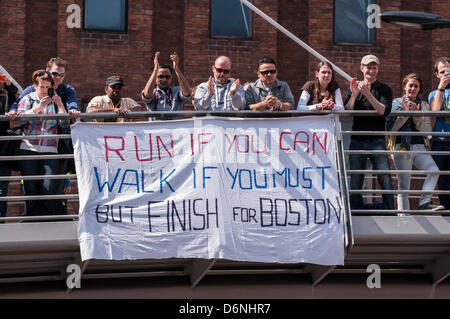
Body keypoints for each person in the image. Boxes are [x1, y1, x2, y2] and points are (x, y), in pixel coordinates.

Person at [386, 73, 444, 211]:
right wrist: (405, 113)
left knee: (434, 170)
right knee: (404, 185)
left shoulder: (423, 105)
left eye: (416, 86)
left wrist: (416, 115)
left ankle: (424, 202)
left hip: (419, 146)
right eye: (410, 85)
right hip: (401, 146)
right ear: (405, 87)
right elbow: (391, 128)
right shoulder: (396, 103)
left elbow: (427, 130)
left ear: (419, 89)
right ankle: (403, 217)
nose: (413, 88)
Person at [16, 70, 69, 217]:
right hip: (28, 149)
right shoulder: (28, 98)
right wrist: (39, 107)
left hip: (50, 149)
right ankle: (32, 220)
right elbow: (20, 118)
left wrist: (60, 105)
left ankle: (46, 221)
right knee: (31, 188)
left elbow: (64, 123)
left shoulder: (55, 101)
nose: (45, 90)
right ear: (35, 86)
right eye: (42, 87)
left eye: (48, 87)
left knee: (49, 187)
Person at [344, 54, 394, 210]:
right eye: (368, 68)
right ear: (362, 68)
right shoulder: (355, 87)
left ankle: (389, 208)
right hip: (357, 138)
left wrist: (368, 94)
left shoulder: (384, 88)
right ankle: (355, 209)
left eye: (374, 68)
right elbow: (348, 111)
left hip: (377, 139)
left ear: (378, 69)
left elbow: (383, 111)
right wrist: (354, 94)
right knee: (356, 177)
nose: (371, 71)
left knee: (384, 175)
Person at [142, 51, 191, 120]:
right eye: (160, 77)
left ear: (171, 78)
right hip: (156, 129)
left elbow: (187, 93)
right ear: (155, 78)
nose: (164, 80)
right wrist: (155, 69)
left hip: (176, 129)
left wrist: (176, 69)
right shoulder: (152, 92)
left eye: (167, 77)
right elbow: (146, 95)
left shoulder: (177, 91)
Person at [429, 57, 450, 210]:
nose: (446, 74)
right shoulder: (434, 93)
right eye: (442, 72)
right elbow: (435, 110)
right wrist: (441, 88)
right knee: (442, 180)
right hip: (440, 141)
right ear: (437, 74)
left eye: (448, 71)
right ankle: (446, 211)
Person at [0, 76, 18, 222]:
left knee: (1, 189)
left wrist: (10, 89)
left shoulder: (4, 96)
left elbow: (14, 109)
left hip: (2, 149)